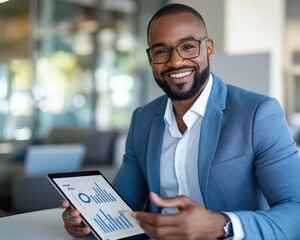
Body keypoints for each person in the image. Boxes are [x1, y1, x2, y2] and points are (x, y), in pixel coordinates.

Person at [59, 3, 300, 239]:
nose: (175, 62)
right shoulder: (142, 119)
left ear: (209, 49)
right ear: (150, 58)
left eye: (187, 46)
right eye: (161, 51)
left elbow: (296, 209)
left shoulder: (258, 113)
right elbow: (124, 204)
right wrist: (88, 220)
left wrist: (220, 225)